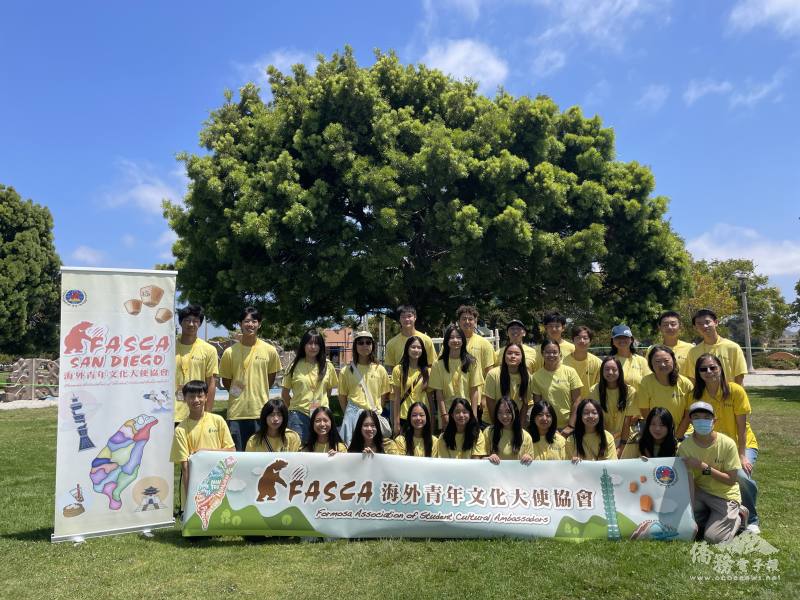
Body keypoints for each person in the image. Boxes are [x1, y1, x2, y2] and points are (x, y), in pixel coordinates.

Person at [692, 353, 760, 533]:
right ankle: (717, 513)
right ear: (698, 373)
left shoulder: (736, 391)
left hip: (740, 445)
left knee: (742, 478)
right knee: (704, 477)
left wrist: (742, 455)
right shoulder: (697, 395)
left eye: (713, 367)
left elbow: (742, 428)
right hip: (713, 447)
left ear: (721, 369)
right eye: (703, 369)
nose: (709, 371)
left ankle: (752, 518)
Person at [678, 401, 747, 544]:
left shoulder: (727, 443)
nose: (701, 421)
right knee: (681, 524)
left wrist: (703, 467)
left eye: (706, 417)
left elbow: (731, 480)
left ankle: (739, 514)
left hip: (725, 495)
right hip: (700, 493)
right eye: (696, 417)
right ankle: (711, 516)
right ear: (690, 420)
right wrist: (689, 514)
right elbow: (689, 480)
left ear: (714, 420)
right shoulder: (685, 447)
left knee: (713, 538)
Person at [219, 307, 282, 451]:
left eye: (254, 321)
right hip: (236, 413)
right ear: (240, 324)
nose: (250, 325)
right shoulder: (229, 352)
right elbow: (226, 381)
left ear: (259, 324)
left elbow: (270, 379)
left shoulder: (269, 350)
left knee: (260, 456)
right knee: (238, 457)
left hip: (261, 412)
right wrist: (237, 392)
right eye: (247, 321)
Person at [170, 380, 234, 512]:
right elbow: (185, 466)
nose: (196, 400)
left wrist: (205, 452)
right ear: (185, 399)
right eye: (191, 396)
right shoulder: (181, 429)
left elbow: (231, 450)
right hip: (196, 482)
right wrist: (190, 500)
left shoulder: (218, 421)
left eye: (199, 396)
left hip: (218, 479)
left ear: (206, 397)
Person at [282, 330, 338, 445]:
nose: (313, 347)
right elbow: (285, 393)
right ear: (303, 345)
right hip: (298, 415)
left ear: (321, 346)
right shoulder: (294, 366)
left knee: (321, 450)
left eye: (316, 343)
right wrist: (294, 408)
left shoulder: (328, 366)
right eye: (309, 343)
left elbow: (328, 391)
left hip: (322, 416)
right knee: (298, 451)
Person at [337, 331, 391, 446]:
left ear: (372, 345)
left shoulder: (380, 369)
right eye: (360, 343)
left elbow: (383, 396)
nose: (365, 345)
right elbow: (342, 397)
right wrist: (349, 414)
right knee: (352, 451)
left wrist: (376, 409)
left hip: (373, 417)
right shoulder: (345, 371)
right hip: (353, 416)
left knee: (374, 451)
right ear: (355, 346)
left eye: (368, 342)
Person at [429, 325, 484, 429]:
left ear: (463, 340)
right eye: (451, 337)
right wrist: (444, 415)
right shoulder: (438, 364)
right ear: (446, 341)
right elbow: (438, 393)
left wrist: (474, 415)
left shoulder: (472, 362)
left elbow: (474, 390)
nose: (455, 340)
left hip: (466, 413)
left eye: (458, 337)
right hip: (447, 412)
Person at [174, 305, 219, 423]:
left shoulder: (209, 350)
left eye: (195, 321)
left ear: (200, 323)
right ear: (180, 322)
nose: (191, 324)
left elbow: (211, 383)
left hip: (196, 412)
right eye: (187, 320)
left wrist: (208, 413)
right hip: (170, 413)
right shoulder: (168, 348)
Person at [637, 345, 692, 437]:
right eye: (657, 361)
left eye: (666, 361)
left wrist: (677, 437)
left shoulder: (685, 383)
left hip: (683, 433)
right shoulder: (646, 382)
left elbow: (688, 416)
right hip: (657, 433)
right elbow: (645, 411)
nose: (662, 365)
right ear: (651, 364)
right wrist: (658, 432)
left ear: (673, 361)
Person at [588, 356, 638, 456]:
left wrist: (622, 445)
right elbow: (597, 418)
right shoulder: (594, 390)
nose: (610, 372)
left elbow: (627, 421)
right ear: (602, 371)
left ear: (620, 371)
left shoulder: (630, 391)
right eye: (606, 369)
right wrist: (606, 441)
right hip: (602, 436)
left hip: (625, 437)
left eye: (614, 369)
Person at [530, 339, 583, 434]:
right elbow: (538, 406)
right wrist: (545, 427)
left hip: (569, 426)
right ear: (542, 353)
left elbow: (577, 401)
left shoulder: (570, 372)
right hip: (547, 426)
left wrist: (571, 426)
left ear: (560, 353)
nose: (551, 355)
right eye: (547, 352)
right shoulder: (536, 376)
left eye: (554, 352)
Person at [686, 309, 748, 385]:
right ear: (695, 327)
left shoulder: (733, 347)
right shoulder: (693, 352)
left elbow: (739, 376)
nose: (704, 326)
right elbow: (693, 379)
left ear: (716, 322)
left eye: (707, 322)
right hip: (704, 396)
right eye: (699, 324)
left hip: (728, 395)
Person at [390, 335, 433, 434]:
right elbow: (396, 398)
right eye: (413, 347)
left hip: (423, 417)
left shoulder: (428, 372)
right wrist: (396, 423)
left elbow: (430, 398)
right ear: (407, 349)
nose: (416, 350)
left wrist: (431, 421)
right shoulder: (398, 370)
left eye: (419, 347)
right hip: (404, 416)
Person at [483, 343, 532, 428]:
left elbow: (525, 404)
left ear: (522, 358)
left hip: (514, 422)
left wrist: (520, 426)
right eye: (509, 353)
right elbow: (490, 402)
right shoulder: (493, 374)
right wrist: (497, 426)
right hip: (492, 422)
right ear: (504, 357)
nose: (513, 356)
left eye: (517, 354)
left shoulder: (527, 377)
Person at [383, 305, 436, 370]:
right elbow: (389, 368)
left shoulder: (426, 340)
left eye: (409, 316)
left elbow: (432, 365)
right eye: (403, 317)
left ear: (415, 317)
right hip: (400, 379)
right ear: (399, 319)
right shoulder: (391, 343)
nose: (406, 319)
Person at [483, 397, 534, 464]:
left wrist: (529, 458)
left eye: (508, 412)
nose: (504, 416)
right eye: (500, 412)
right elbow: (480, 458)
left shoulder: (526, 436)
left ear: (515, 412)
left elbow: (531, 462)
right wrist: (488, 458)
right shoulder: (488, 432)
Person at [456, 305, 496, 376]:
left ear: (475, 321)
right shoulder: (451, 343)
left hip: (478, 386)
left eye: (470, 319)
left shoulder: (485, 344)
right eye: (464, 319)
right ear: (459, 322)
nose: (467, 322)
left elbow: (489, 373)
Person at [563, 325, 601, 399]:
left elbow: (599, 387)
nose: (582, 341)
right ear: (572, 340)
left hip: (590, 406)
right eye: (578, 338)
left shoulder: (598, 363)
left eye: (585, 338)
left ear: (590, 341)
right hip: (569, 405)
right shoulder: (563, 363)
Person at [609, 324, 650, 390]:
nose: (622, 340)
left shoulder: (641, 361)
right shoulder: (609, 362)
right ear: (613, 341)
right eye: (618, 337)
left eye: (625, 337)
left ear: (631, 340)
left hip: (640, 399)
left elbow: (649, 383)